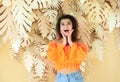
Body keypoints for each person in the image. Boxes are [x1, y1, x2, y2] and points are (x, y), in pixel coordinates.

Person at [46, 14, 88, 82]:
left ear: (72, 27)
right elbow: (51, 57)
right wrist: (63, 44)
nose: (66, 26)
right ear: (59, 28)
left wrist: (71, 42)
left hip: (75, 78)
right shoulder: (54, 43)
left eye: (69, 23)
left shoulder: (79, 42)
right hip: (60, 78)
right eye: (62, 24)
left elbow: (81, 57)